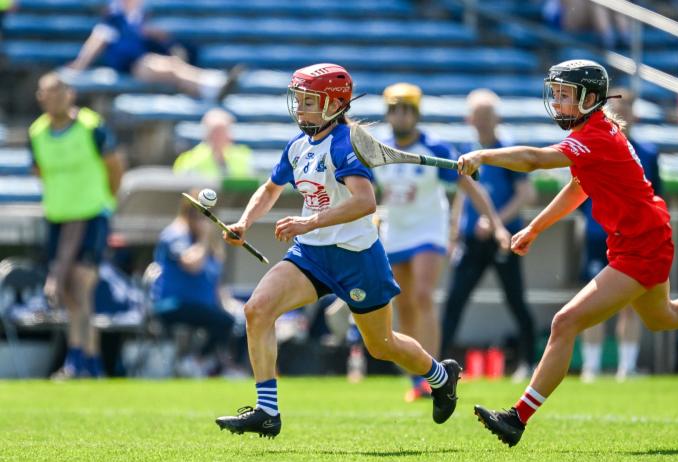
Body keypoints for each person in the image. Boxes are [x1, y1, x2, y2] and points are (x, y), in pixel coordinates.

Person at [457, 59, 678, 447]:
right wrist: (536, 227)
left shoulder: (595, 137)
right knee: (663, 316)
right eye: (556, 94)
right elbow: (580, 187)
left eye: (565, 95)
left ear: (589, 99)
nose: (557, 102)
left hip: (641, 245)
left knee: (564, 323)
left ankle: (517, 418)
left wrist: (484, 155)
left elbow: (534, 160)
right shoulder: (594, 133)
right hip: (642, 237)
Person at [214, 64, 462, 438]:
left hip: (356, 257)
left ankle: (441, 376)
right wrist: (244, 223)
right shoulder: (298, 146)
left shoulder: (346, 143)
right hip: (312, 255)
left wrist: (309, 222)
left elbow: (365, 202)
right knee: (257, 310)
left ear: (333, 105)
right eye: (298, 100)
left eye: (309, 102)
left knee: (381, 345)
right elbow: (269, 189)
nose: (300, 109)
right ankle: (267, 411)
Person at [373, 82, 509, 402]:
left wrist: (495, 221)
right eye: (395, 109)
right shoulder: (379, 150)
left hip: (428, 229)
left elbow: (469, 185)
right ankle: (416, 374)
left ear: (416, 113)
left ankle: (434, 374)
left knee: (423, 296)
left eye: (407, 109)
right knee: (403, 304)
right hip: (395, 231)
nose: (401, 116)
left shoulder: (434, 148)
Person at [29, 72, 124, 378]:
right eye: (48, 92)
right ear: (40, 97)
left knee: (81, 284)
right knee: (68, 292)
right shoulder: (37, 132)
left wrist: (106, 199)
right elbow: (39, 170)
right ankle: (90, 361)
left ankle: (77, 359)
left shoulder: (90, 126)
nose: (54, 97)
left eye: (60, 91)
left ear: (70, 95)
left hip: (91, 214)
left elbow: (114, 165)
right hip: (57, 216)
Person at [440, 88, 538, 383]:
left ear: (496, 118)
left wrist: (497, 223)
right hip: (472, 240)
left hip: (502, 240)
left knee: (515, 300)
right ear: (469, 118)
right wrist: (454, 232)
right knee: (454, 301)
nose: (482, 122)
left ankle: (528, 361)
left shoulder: (506, 152)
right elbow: (462, 194)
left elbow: (526, 194)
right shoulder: (466, 151)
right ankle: (436, 368)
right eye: (477, 116)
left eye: (487, 115)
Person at [578, 87, 661, 383]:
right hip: (598, 235)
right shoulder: (594, 147)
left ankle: (627, 366)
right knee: (592, 302)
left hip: (634, 238)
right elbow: (580, 193)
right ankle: (591, 367)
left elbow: (655, 197)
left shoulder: (648, 152)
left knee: (631, 303)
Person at [66, 0, 240, 102]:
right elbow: (96, 42)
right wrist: (79, 64)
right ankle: (212, 86)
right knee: (172, 68)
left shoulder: (136, 20)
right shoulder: (114, 19)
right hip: (132, 66)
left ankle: (213, 85)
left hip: (141, 61)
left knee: (174, 66)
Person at [151, 193, 243, 377]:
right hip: (174, 303)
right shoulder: (175, 235)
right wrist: (204, 240)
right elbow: (192, 266)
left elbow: (216, 281)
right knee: (224, 322)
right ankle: (196, 362)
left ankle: (224, 366)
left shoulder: (206, 243)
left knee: (240, 319)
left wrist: (231, 306)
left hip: (202, 305)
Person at [173, 108, 253, 178]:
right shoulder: (190, 160)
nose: (219, 137)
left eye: (223, 132)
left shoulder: (242, 157)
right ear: (206, 135)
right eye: (215, 132)